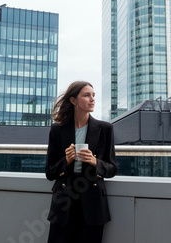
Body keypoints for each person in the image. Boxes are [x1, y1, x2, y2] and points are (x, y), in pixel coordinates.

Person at [45, 81, 117, 243]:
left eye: (93, 95)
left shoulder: (105, 129)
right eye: (86, 95)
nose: (92, 99)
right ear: (73, 101)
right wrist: (67, 160)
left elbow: (112, 169)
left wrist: (94, 161)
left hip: (93, 203)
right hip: (63, 202)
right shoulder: (57, 129)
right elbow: (50, 172)